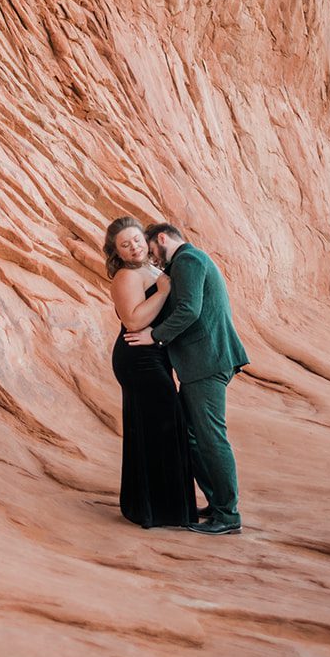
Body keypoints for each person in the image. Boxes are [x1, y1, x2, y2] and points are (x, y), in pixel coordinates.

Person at [126, 223, 250, 535]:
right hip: (203, 363)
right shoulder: (188, 261)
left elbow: (190, 309)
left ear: (162, 239)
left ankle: (229, 515)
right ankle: (218, 502)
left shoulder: (187, 261)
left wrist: (154, 336)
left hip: (207, 362)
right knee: (192, 436)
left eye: (153, 251)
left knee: (211, 438)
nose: (155, 260)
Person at [104, 216, 197, 529]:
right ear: (117, 252)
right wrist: (161, 292)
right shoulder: (126, 276)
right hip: (137, 357)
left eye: (136, 240)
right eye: (125, 245)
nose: (134, 248)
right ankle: (160, 511)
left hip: (153, 355)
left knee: (155, 429)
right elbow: (132, 321)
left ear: (146, 239)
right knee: (167, 425)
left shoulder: (153, 269)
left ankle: (150, 508)